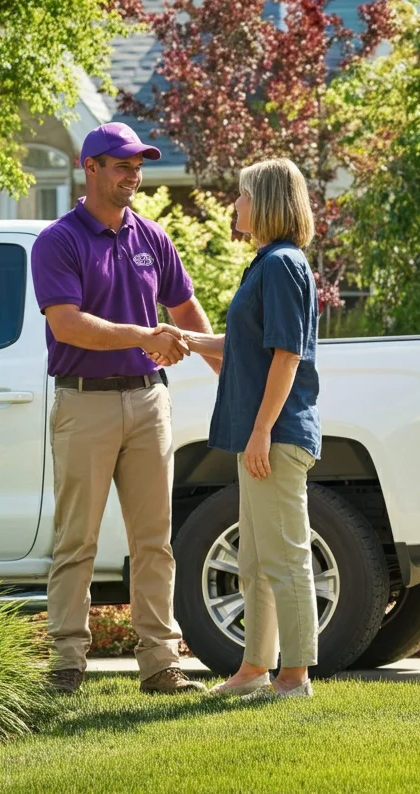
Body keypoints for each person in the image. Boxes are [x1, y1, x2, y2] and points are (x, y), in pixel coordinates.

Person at [31, 122, 219, 694]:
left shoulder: (152, 238)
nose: (133, 175)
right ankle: (66, 664)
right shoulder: (58, 241)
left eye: (138, 165)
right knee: (76, 540)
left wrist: (224, 369)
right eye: (122, 165)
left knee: (154, 541)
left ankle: (161, 664)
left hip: (147, 401)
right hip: (83, 404)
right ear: (91, 168)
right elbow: (67, 324)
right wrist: (144, 335)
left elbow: (185, 310)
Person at [160, 158, 321, 700]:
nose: (236, 205)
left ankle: (294, 677)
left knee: (284, 555)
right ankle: (255, 669)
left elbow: (286, 356)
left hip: (274, 435)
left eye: (243, 196)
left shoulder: (282, 265)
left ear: (269, 203)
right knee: (253, 560)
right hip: (260, 433)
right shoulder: (265, 264)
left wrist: (261, 433)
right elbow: (245, 349)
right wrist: (187, 340)